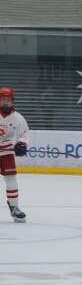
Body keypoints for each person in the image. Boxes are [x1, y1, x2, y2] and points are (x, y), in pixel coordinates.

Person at [0, 86, 29, 222]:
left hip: (7, 152)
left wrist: (22, 143)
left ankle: (14, 207)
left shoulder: (18, 118)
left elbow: (24, 134)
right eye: (3, 99)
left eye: (8, 99)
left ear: (12, 101)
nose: (5, 102)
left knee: (11, 178)